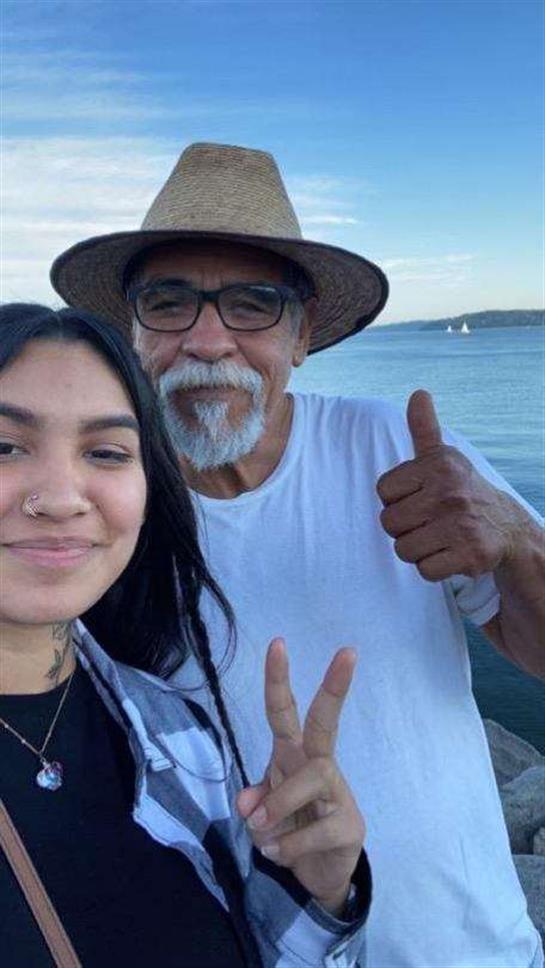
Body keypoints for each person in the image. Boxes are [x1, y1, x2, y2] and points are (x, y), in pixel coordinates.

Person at [51, 143, 544, 967]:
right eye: (169, 302)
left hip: (465, 946)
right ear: (133, 333)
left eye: (252, 304)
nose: (208, 340)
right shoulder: (96, 511)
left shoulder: (394, 448)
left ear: (303, 334)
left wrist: (517, 539)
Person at [0, 303, 371, 968]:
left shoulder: (174, 734)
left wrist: (316, 890)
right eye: (4, 446)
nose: (60, 498)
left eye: (107, 452)